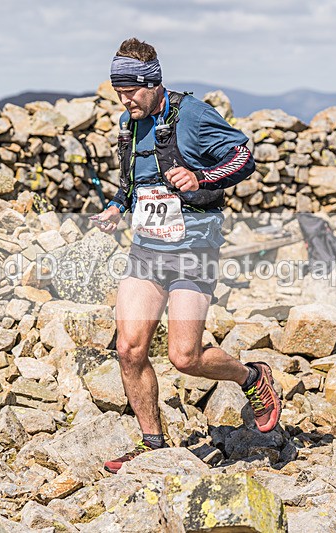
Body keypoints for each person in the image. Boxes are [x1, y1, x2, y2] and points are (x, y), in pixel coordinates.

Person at [92, 38, 282, 474]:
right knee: (129, 349)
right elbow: (132, 183)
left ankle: (252, 378)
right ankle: (153, 448)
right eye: (118, 92)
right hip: (146, 250)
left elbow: (243, 156)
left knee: (185, 357)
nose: (125, 100)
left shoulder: (193, 114)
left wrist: (200, 176)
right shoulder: (129, 123)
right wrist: (117, 208)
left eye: (132, 91)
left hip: (193, 249)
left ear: (154, 82)